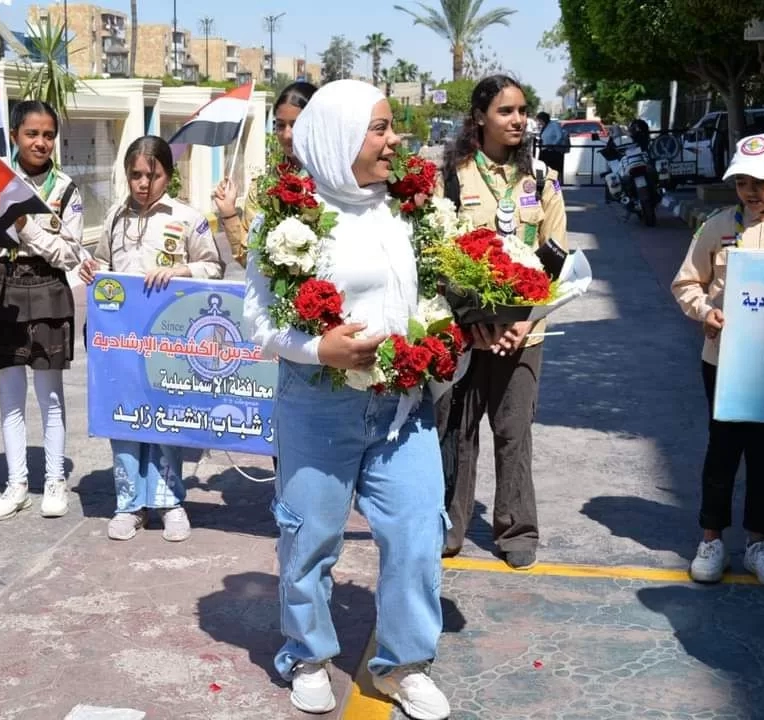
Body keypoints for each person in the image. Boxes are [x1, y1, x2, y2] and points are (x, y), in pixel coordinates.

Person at [244, 80, 451, 719]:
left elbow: (433, 288)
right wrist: (317, 349)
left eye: (392, 127)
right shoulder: (285, 217)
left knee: (417, 529)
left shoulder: (410, 206)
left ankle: (404, 664)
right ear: (338, 136)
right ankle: (306, 654)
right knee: (311, 537)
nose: (395, 141)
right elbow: (257, 317)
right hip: (319, 402)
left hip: (402, 405)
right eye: (380, 128)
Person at [436, 75, 567, 570]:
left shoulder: (542, 182)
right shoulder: (451, 178)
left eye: (522, 111)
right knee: (458, 431)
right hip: (466, 333)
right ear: (480, 118)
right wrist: (471, 322)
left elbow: (557, 263)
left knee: (514, 431)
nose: (518, 120)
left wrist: (524, 322)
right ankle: (450, 524)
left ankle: (517, 529)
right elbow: (438, 256)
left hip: (522, 333)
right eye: (506, 111)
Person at [78, 136, 224, 542]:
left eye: (152, 175)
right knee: (123, 418)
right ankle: (129, 504)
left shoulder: (187, 218)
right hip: (119, 342)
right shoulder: (114, 217)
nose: (143, 183)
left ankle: (169, 501)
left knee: (165, 417)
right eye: (135, 175)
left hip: (168, 341)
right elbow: (104, 264)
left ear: (168, 175)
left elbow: (214, 266)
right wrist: (93, 271)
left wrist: (181, 272)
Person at [0, 100, 84, 521]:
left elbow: (69, 255)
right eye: (32, 134)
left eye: (48, 135)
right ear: (15, 135)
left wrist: (23, 225)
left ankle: (54, 480)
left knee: (49, 395)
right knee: (10, 397)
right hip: (3, 290)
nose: (41, 142)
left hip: (47, 290)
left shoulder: (65, 189)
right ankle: (17, 484)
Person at [670, 133, 764, 587]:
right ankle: (711, 539)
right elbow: (686, 283)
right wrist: (704, 311)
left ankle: (758, 543)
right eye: (741, 182)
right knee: (723, 450)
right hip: (724, 362)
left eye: (761, 180)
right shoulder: (717, 226)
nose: (750, 190)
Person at [212, 81, 317, 267]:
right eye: (280, 125)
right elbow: (249, 259)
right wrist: (228, 213)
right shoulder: (264, 188)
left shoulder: (338, 182)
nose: (287, 135)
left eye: (297, 124)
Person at [536, 111, 568, 178]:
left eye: (540, 120)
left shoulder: (554, 124)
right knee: (543, 169)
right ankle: (543, 185)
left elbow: (559, 136)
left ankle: (556, 186)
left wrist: (553, 145)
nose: (539, 122)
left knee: (554, 171)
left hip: (554, 152)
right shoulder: (545, 126)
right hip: (545, 150)